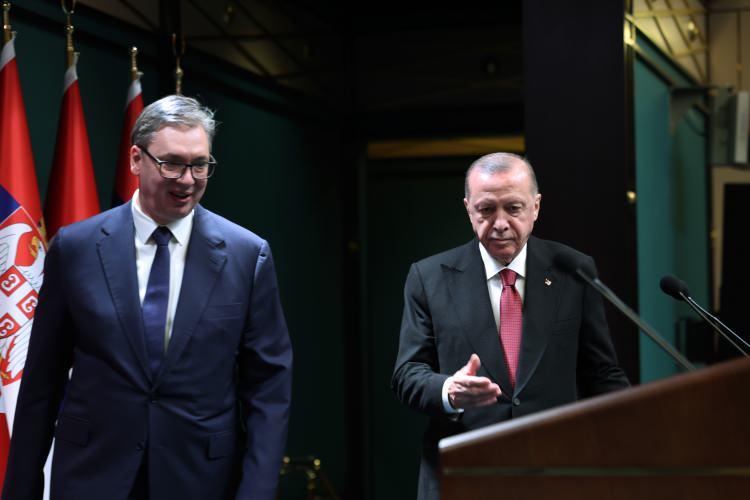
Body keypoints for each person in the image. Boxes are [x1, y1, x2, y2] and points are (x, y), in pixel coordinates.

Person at [2, 95, 292, 500]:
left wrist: (256, 493)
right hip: (92, 477)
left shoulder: (247, 255)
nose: (187, 179)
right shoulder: (75, 249)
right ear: (136, 159)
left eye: (200, 165)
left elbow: (268, 390)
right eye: (172, 163)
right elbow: (41, 383)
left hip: (201, 480)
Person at [392, 152, 629, 500]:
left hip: (557, 474)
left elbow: (602, 373)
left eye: (513, 208)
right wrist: (449, 390)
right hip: (464, 474)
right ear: (469, 209)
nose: (500, 223)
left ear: (536, 207)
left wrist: (639, 431)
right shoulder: (428, 277)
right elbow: (407, 373)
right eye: (486, 209)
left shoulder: (573, 271)